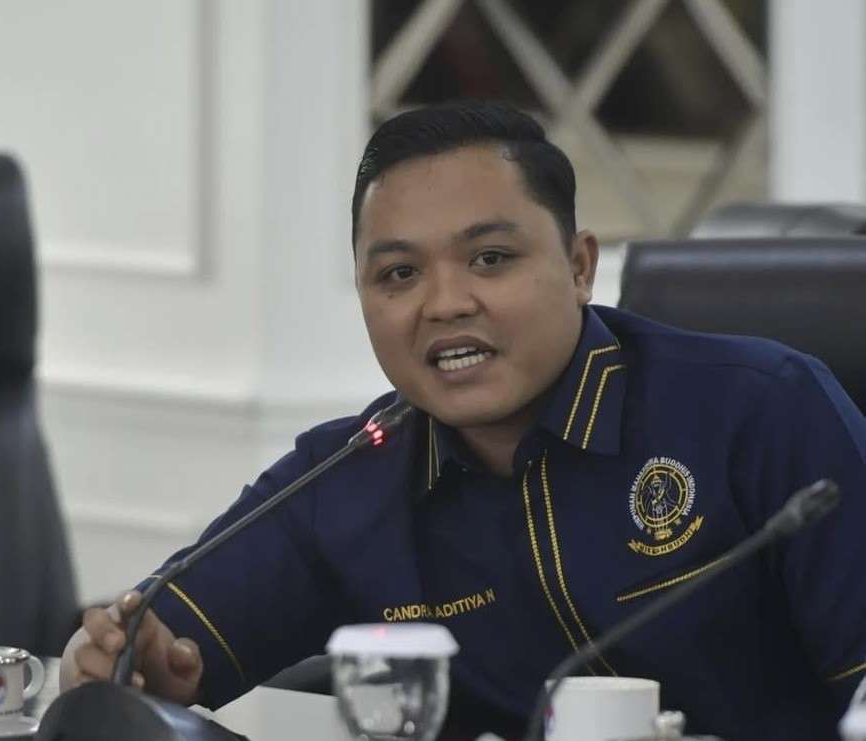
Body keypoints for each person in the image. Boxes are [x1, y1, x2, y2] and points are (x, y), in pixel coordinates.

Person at [59, 100, 866, 740]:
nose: (444, 303)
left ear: (579, 265)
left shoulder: (759, 409)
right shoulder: (344, 477)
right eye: (398, 273)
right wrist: (121, 664)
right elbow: (143, 655)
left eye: (489, 258)